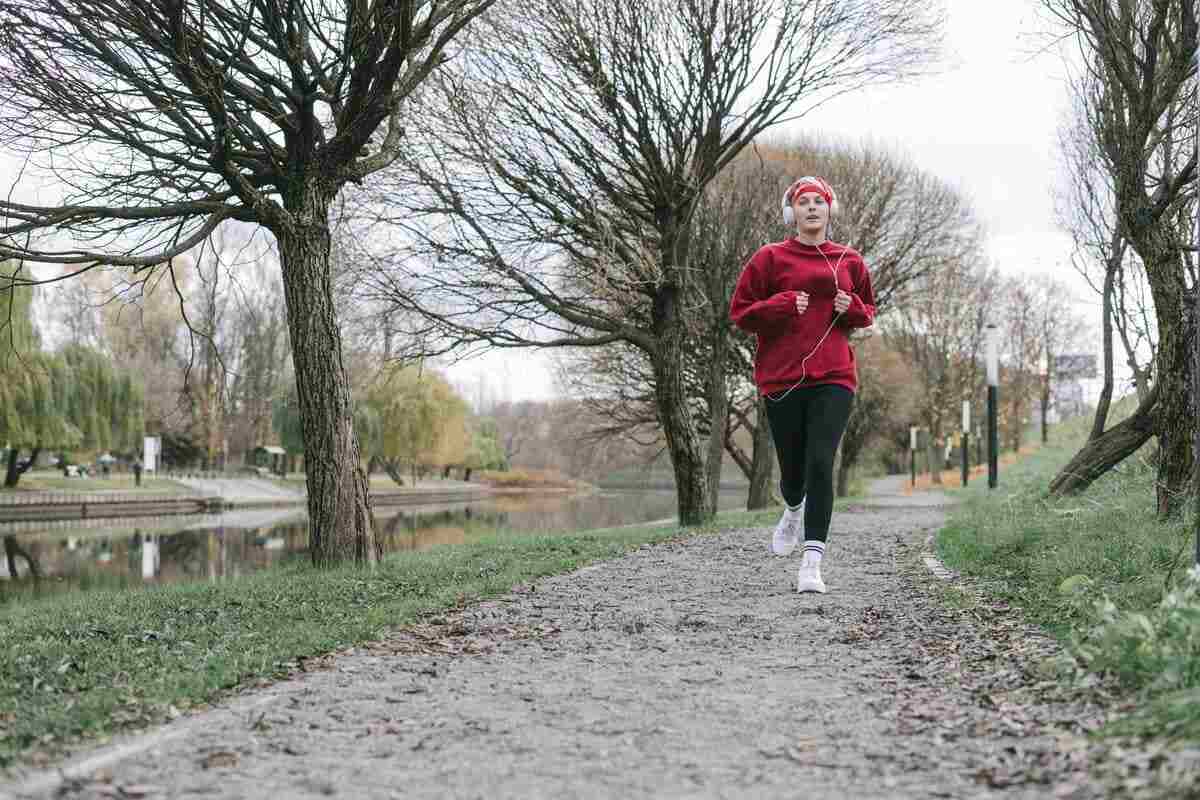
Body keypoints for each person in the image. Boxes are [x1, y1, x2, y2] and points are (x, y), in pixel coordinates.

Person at [729, 176, 876, 594]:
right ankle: (792, 509)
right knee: (793, 471)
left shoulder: (850, 260)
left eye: (818, 201)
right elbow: (741, 313)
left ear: (830, 209)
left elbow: (868, 312)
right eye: (802, 202)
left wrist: (853, 309)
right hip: (783, 377)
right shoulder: (769, 258)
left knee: (819, 463)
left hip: (834, 377)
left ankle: (812, 562)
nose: (811, 207)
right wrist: (780, 305)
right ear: (791, 212)